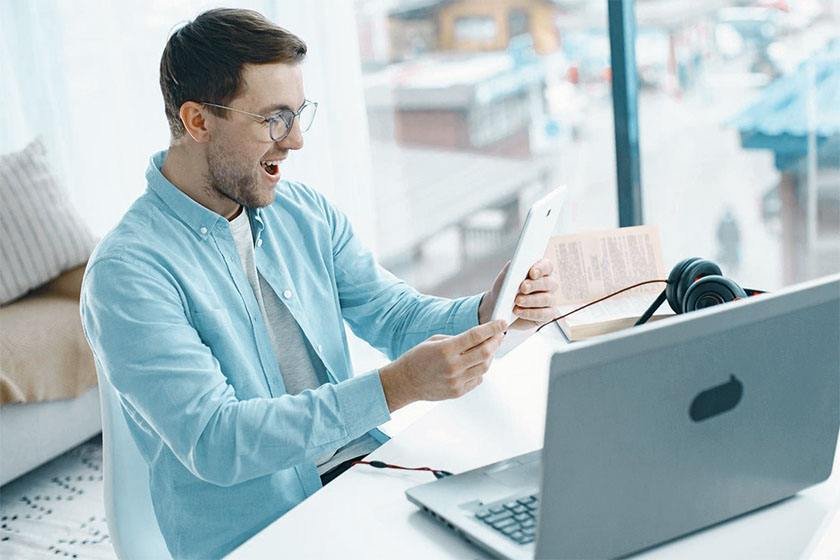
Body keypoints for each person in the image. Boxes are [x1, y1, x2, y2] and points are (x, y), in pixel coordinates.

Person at [80, 8, 561, 559]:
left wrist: (485, 309)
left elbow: (393, 315)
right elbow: (216, 440)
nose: (297, 141)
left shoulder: (302, 212)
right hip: (263, 534)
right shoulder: (128, 272)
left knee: (541, 516)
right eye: (274, 119)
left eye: (299, 114)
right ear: (197, 121)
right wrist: (394, 388)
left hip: (361, 479)